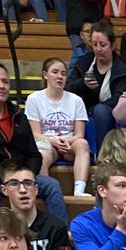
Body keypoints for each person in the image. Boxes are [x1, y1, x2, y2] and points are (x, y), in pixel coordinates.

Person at [0, 61, 68, 221]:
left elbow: (34, 154)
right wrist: (4, 176)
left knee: (52, 185)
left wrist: (26, 175)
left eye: (5, 81)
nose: (1, 85)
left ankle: (59, 235)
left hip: (20, 172)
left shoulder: (19, 115)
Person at [0, 159, 78, 250]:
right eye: (14, 183)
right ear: (4, 190)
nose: (23, 190)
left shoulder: (55, 226)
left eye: (28, 183)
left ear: (36, 189)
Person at [25, 56, 90, 196]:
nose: (60, 76)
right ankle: (45, 192)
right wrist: (55, 142)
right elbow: (35, 134)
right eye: (55, 72)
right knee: (40, 155)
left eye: (63, 73)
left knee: (83, 144)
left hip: (69, 144)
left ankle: (79, 190)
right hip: (47, 144)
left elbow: (79, 134)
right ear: (45, 75)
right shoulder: (34, 99)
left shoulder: (76, 100)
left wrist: (66, 142)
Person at [66, 17, 126, 151]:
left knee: (101, 111)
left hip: (112, 113)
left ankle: (102, 154)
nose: (98, 49)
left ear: (112, 45)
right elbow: (67, 88)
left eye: (103, 45)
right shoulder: (83, 63)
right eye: (95, 44)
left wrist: (95, 109)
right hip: (83, 111)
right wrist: (82, 84)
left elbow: (120, 97)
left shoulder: (122, 68)